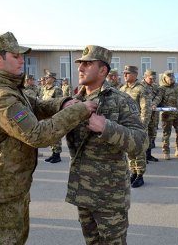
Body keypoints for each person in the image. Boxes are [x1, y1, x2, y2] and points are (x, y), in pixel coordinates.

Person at [0, 31, 97, 245]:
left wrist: (62, 104)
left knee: (17, 237)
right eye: (15, 56)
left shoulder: (7, 89)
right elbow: (38, 135)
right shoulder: (1, 98)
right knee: (9, 241)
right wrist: (78, 111)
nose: (22, 60)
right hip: (5, 186)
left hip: (12, 182)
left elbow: (35, 105)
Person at [65, 45, 148, 244]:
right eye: (80, 64)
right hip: (83, 192)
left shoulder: (120, 100)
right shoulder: (74, 102)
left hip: (110, 196)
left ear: (103, 70)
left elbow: (141, 141)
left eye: (88, 63)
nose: (81, 68)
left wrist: (107, 128)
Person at [120, 65, 150, 188]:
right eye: (124, 73)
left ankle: (140, 175)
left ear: (135, 74)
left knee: (139, 150)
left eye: (128, 73)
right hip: (126, 125)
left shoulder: (141, 89)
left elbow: (146, 108)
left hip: (138, 125)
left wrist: (143, 125)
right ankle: (133, 171)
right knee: (130, 150)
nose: (125, 75)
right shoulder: (122, 89)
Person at [157, 70, 178, 159]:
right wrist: (153, 105)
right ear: (165, 78)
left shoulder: (177, 86)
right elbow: (157, 99)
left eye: (173, 78)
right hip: (166, 115)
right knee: (166, 134)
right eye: (169, 78)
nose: (171, 80)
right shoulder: (161, 89)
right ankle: (166, 152)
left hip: (177, 114)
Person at [42, 72, 64, 163]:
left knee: (55, 135)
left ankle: (57, 155)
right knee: (49, 134)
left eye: (48, 77)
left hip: (53, 115)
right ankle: (53, 153)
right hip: (46, 115)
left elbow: (59, 103)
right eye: (46, 77)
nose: (46, 79)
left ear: (53, 79)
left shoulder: (57, 89)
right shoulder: (45, 89)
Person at [141, 70, 160, 162]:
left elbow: (159, 95)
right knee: (143, 135)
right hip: (143, 115)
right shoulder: (140, 87)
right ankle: (142, 157)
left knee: (152, 134)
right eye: (151, 78)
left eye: (154, 79)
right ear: (145, 77)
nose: (153, 80)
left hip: (153, 114)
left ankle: (148, 155)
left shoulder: (155, 86)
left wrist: (154, 103)